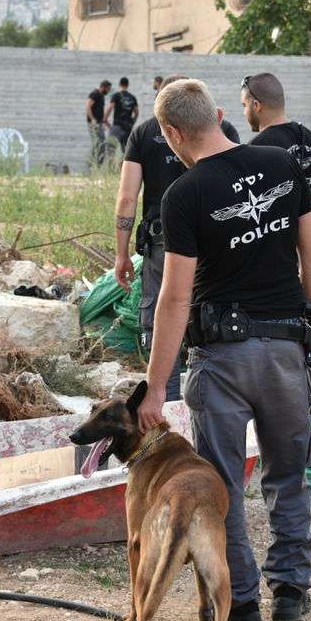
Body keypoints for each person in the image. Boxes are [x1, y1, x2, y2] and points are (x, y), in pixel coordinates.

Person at [137, 78, 311, 621]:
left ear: (172, 133)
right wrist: (304, 326)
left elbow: (174, 298)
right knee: (289, 473)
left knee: (221, 486)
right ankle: (290, 592)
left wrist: (153, 386)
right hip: (286, 347)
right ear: (219, 114)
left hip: (222, 360)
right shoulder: (283, 164)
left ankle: (241, 606)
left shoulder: (184, 194)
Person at [114, 74, 240, 400]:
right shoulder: (221, 129)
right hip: (218, 242)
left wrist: (121, 254)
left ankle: (167, 411)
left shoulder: (143, 132)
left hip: (163, 244)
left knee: (162, 326)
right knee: (220, 322)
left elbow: (127, 196)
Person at [241, 72, 311, 199]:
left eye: (244, 105)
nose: (244, 113)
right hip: (308, 219)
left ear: (256, 105)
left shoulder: (257, 147)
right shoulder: (309, 136)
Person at [105, 76, 139, 154]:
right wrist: (132, 123)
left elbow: (109, 108)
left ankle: (111, 166)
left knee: (110, 149)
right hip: (127, 127)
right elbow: (136, 112)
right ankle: (123, 166)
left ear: (119, 85)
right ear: (127, 85)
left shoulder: (116, 96)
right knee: (126, 151)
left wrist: (105, 120)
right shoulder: (132, 97)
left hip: (117, 125)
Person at [85, 79, 112, 167]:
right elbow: (88, 106)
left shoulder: (101, 96)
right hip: (94, 124)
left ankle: (96, 166)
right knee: (98, 144)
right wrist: (92, 119)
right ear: (104, 87)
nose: (108, 91)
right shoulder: (94, 94)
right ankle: (92, 167)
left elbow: (100, 111)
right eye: (108, 89)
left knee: (100, 144)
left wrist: (105, 121)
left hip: (99, 123)